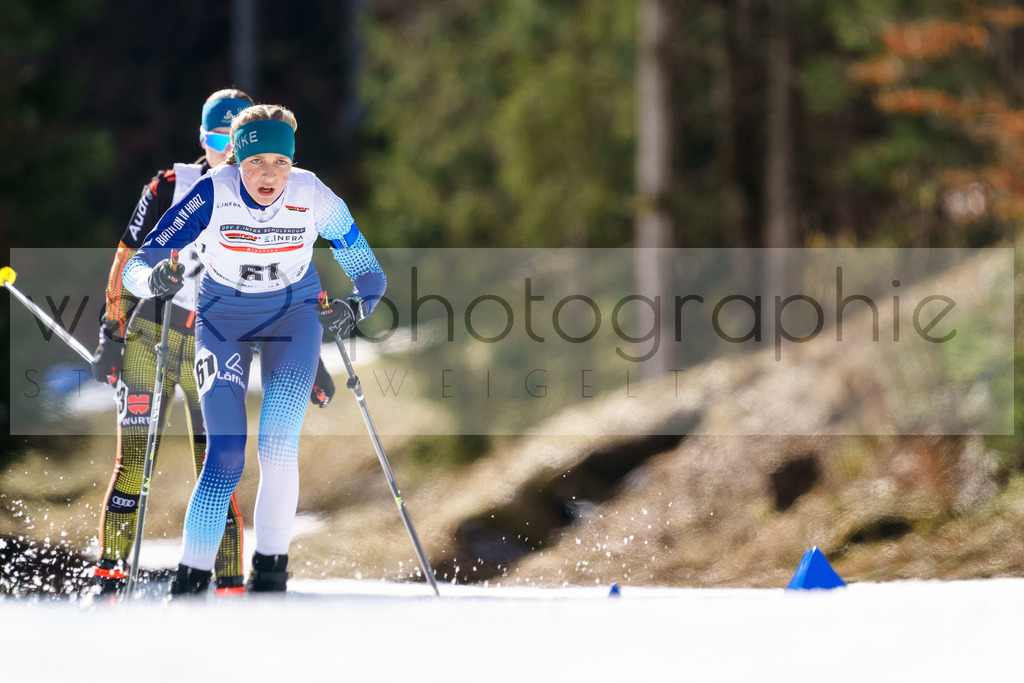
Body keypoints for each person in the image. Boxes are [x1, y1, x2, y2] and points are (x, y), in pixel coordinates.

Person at [122, 103, 386, 596]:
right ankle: (192, 577)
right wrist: (155, 276)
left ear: (293, 161)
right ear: (236, 163)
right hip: (223, 321)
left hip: (294, 316)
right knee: (224, 455)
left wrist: (354, 308)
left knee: (279, 444)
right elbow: (137, 268)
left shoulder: (313, 195)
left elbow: (370, 273)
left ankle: (270, 570)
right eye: (256, 162)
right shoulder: (212, 193)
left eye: (280, 162)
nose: (269, 174)